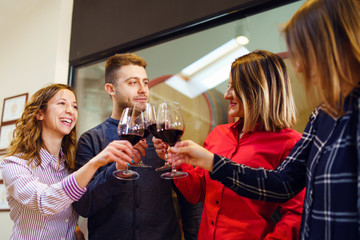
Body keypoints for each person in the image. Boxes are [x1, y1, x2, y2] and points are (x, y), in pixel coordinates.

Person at [170, 0, 360, 239]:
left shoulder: (291, 140)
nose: (299, 66)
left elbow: (296, 212)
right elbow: (282, 183)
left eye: (306, 50)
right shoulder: (322, 116)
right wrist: (204, 162)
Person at [155, 50, 305, 239]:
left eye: (235, 87)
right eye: (228, 86)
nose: (226, 95)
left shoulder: (290, 143)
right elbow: (196, 193)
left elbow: (296, 215)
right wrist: (177, 161)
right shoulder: (219, 134)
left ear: (257, 89)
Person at [73, 53, 202, 240]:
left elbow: (190, 202)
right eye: (133, 83)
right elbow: (83, 206)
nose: (143, 90)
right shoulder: (91, 140)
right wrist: (115, 171)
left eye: (145, 82)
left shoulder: (161, 137)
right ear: (111, 89)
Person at [0, 84, 143, 240]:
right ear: (40, 113)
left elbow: (80, 207)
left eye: (74, 106)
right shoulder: (14, 165)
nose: (70, 110)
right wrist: (95, 163)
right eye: (62, 103)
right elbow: (45, 201)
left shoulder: (71, 166)